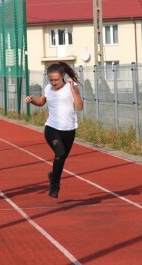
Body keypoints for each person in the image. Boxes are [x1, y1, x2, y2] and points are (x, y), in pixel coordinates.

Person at [25, 61, 83, 198]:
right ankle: (55, 185)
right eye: (51, 80)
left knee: (60, 158)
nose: (53, 82)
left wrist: (73, 90)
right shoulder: (47, 88)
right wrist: (32, 100)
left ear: (63, 76)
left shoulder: (71, 87)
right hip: (52, 128)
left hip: (69, 129)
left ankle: (53, 175)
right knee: (60, 153)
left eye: (56, 80)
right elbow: (40, 102)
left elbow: (80, 107)